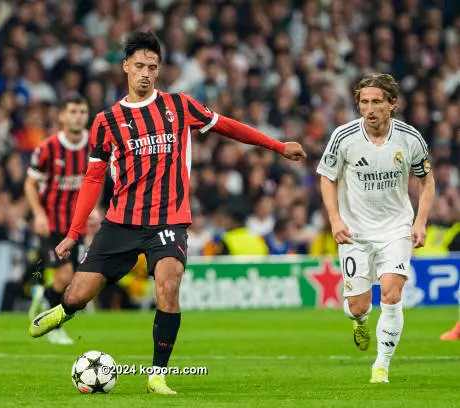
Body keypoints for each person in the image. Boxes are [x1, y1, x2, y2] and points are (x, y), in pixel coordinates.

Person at [28, 30, 306, 394]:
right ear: (126, 67)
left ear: (159, 71)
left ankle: (157, 374)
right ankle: (63, 310)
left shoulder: (179, 106)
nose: (145, 72)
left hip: (169, 221)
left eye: (152, 67)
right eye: (139, 65)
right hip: (121, 222)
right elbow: (93, 180)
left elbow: (227, 127)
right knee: (79, 293)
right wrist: (73, 232)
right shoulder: (106, 122)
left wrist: (277, 145)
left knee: (168, 287)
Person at [316, 73, 435, 383]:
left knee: (393, 295)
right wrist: (335, 219)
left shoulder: (410, 138)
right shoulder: (344, 137)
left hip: (396, 228)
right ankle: (360, 320)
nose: (369, 109)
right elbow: (326, 178)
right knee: (357, 306)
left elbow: (426, 180)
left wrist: (420, 222)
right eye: (364, 102)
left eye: (376, 102)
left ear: (392, 104)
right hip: (354, 232)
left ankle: (381, 366)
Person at [24, 95, 90, 345]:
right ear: (62, 116)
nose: (78, 116)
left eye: (82, 112)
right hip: (50, 223)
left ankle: (43, 297)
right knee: (64, 276)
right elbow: (30, 184)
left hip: (76, 225)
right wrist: (38, 213)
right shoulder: (47, 148)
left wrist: (93, 210)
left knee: (72, 279)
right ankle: (54, 329)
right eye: (72, 111)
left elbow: (94, 183)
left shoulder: (93, 146)